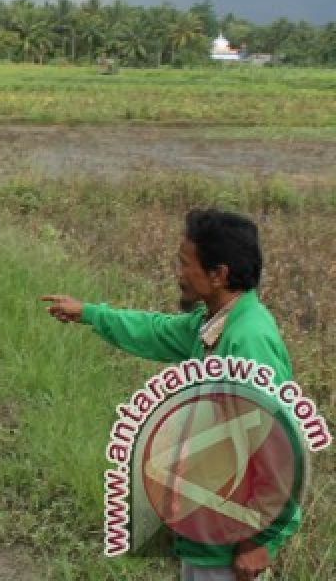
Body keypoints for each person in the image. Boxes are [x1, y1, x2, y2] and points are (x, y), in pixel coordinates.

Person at [41, 209, 298, 581]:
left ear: (218, 274)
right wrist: (90, 314)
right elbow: (156, 331)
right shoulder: (215, 324)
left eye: (184, 264)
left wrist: (261, 541)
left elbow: (277, 450)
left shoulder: (248, 341)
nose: (178, 275)